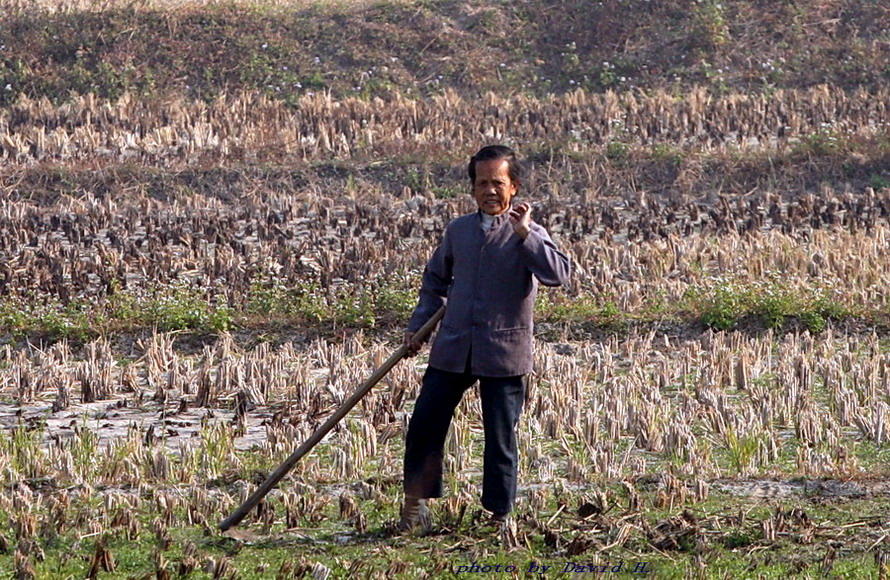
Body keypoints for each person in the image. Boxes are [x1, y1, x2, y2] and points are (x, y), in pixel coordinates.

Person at [399, 144, 571, 534]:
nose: (489, 190)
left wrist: (525, 235)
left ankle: (499, 516)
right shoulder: (458, 231)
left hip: (504, 351)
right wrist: (418, 326)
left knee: (500, 436)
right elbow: (435, 281)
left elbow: (558, 275)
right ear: (472, 188)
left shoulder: (529, 233)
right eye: (482, 183)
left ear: (514, 187)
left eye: (498, 182)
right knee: (425, 423)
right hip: (454, 346)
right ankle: (415, 508)